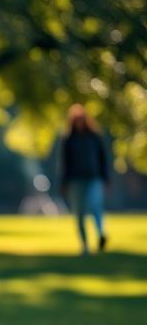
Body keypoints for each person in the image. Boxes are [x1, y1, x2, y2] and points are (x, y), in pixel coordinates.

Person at [60, 104, 110, 254]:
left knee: (95, 205)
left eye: (81, 119)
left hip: (93, 177)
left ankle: (101, 234)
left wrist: (106, 179)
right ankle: (85, 245)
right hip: (75, 180)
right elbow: (64, 163)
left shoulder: (94, 137)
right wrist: (63, 182)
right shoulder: (68, 139)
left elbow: (103, 159)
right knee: (79, 213)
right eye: (76, 119)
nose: (79, 122)